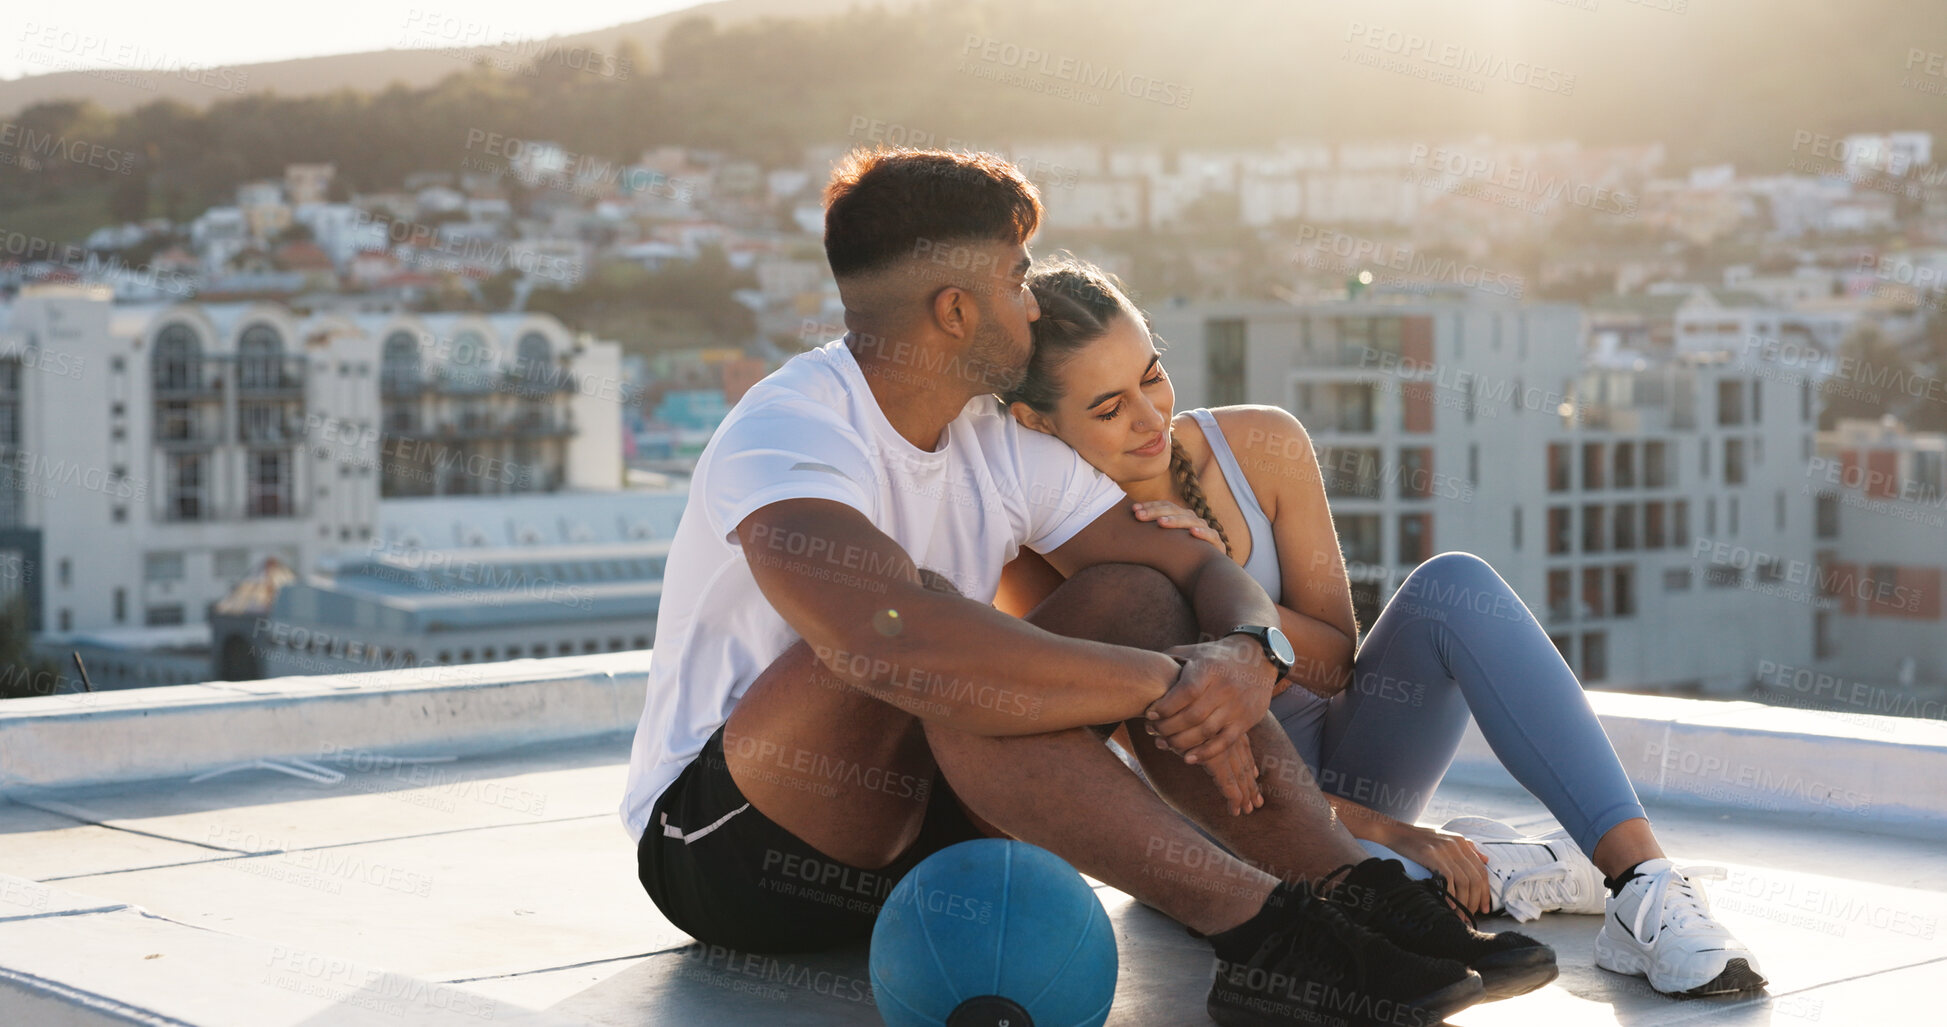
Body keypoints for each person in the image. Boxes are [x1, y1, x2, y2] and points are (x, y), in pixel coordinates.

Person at [620, 149, 1557, 1026]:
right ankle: (1266, 935)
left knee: (1131, 594)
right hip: (733, 850)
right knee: (938, 626)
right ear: (954, 311)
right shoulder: (791, 430)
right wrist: (1161, 683)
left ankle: (1347, 885)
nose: (1032, 306)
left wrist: (1240, 651)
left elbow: (1190, 566)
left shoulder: (991, 439)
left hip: (930, 833)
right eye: (1017, 279)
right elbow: (886, 643)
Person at [994, 255, 1767, 999]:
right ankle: (1515, 863)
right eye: (1107, 408)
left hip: (1346, 763)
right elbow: (1150, 760)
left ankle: (1640, 883)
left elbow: (1334, 662)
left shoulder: (1259, 444)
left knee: (1454, 584)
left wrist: (1216, 591)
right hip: (1213, 822)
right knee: (1377, 903)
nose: (1148, 416)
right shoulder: (1032, 547)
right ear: (1032, 420)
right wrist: (1394, 835)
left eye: (1151, 375)